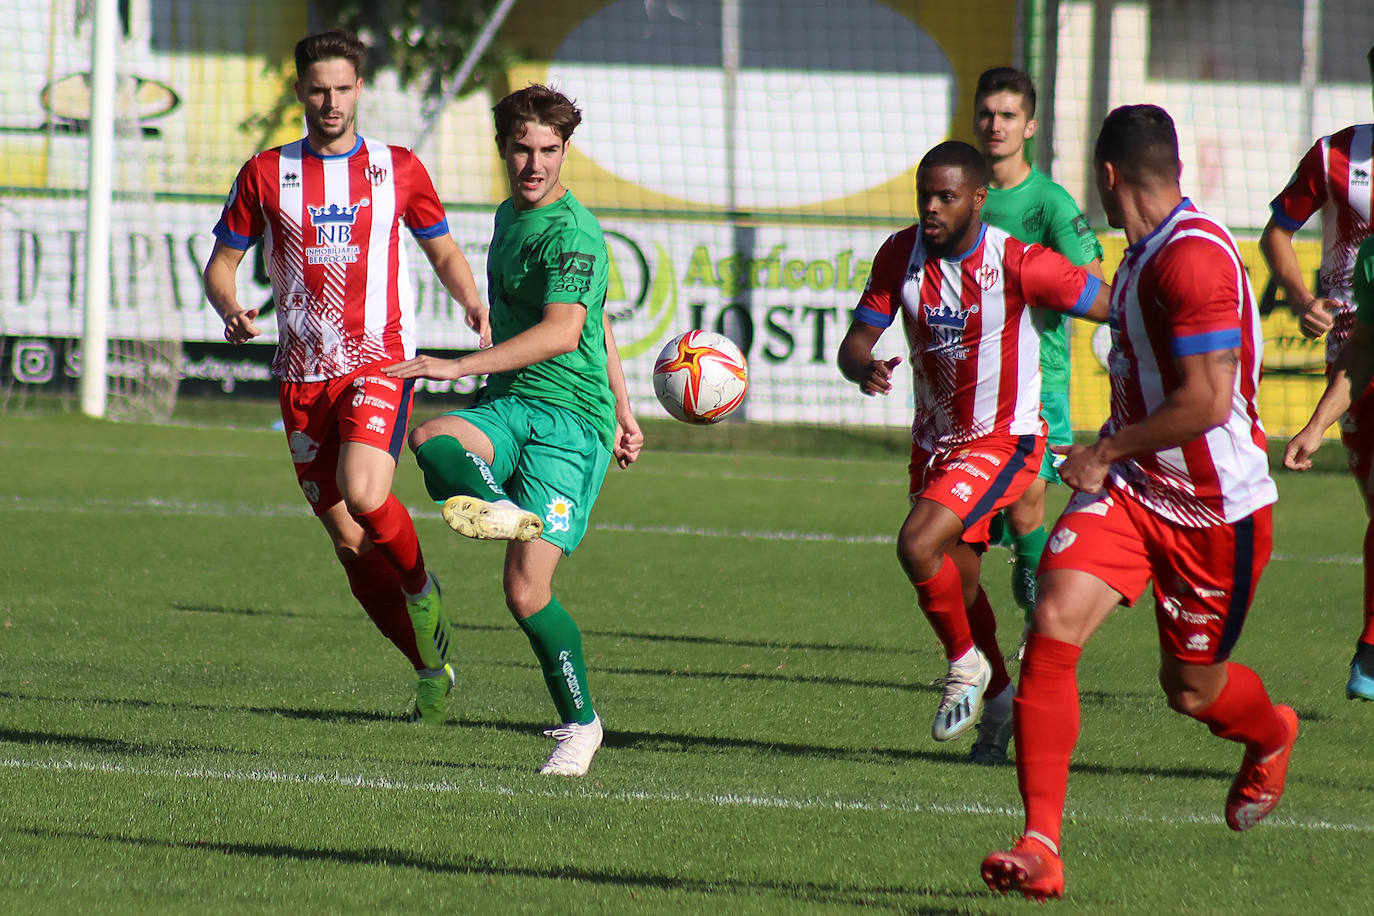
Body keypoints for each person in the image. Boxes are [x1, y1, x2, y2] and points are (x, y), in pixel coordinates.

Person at [982, 105, 1296, 902]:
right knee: (1052, 622)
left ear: (1109, 176)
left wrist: (1103, 450)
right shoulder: (1144, 253)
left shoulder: (1192, 260)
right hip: (1133, 495)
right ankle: (1041, 842)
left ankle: (1271, 732)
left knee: (1191, 690)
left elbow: (1208, 402)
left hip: (1215, 512)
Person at [202, 29, 487, 725]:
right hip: (301, 378)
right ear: (301, 91)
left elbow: (443, 251)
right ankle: (429, 668)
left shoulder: (400, 169)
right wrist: (230, 307)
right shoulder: (267, 173)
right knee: (351, 544)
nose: (331, 101)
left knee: (366, 494)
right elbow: (221, 264)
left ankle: (422, 590)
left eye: (342, 88)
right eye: (318, 89)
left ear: (360, 89)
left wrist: (472, 300)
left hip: (379, 360)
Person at [384, 84, 643, 777]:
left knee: (526, 594)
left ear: (566, 150)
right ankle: (497, 504)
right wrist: (631, 405)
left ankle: (580, 726)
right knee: (431, 438)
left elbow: (568, 332)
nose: (536, 164)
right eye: (523, 149)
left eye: (549, 150)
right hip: (510, 402)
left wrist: (611, 410)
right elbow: (603, 320)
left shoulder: (575, 232)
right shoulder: (509, 215)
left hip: (570, 424)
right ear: (504, 148)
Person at [837, 140, 1109, 768]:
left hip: (1005, 438)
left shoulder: (1019, 263)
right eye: (923, 196)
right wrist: (863, 369)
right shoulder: (899, 254)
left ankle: (964, 667)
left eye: (945, 197)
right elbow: (856, 341)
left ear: (978, 199)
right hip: (933, 444)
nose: (930, 208)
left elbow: (1108, 303)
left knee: (916, 544)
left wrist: (1176, 334)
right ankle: (1003, 698)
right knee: (956, 581)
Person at [972, 67, 1105, 653]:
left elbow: (1093, 279)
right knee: (972, 527)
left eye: (1007, 116)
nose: (995, 125)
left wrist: (1032, 285)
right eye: (987, 113)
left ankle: (1034, 624)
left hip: (1037, 381)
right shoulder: (959, 193)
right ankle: (981, 640)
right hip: (969, 381)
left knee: (1028, 502)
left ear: (1028, 126)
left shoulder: (1048, 202)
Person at [1263, 44, 1374, 700]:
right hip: (1355, 354)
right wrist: (1304, 299)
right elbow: (1277, 230)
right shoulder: (1337, 154)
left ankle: (1368, 648)